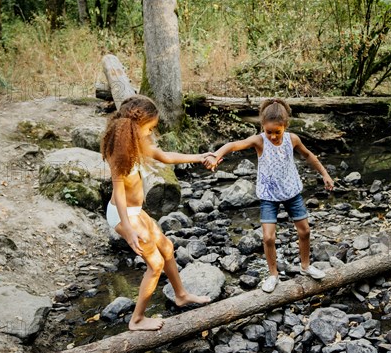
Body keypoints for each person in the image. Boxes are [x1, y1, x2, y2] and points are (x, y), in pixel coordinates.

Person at [101, 95, 211, 331]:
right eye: (149, 128)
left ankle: (181, 295)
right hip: (123, 215)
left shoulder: (137, 144)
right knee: (155, 263)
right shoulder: (118, 154)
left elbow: (166, 157)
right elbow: (119, 193)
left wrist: (200, 157)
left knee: (167, 248)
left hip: (135, 211)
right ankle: (137, 319)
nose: (151, 133)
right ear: (134, 127)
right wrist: (128, 229)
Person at [205, 98, 334, 293]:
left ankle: (305, 266)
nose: (273, 136)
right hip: (268, 195)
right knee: (268, 238)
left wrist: (325, 174)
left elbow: (308, 156)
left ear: (285, 126)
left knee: (305, 231)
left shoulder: (293, 139)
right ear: (262, 127)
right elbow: (233, 145)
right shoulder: (259, 141)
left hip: (291, 192)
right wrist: (216, 155)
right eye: (269, 132)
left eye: (277, 132)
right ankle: (273, 275)